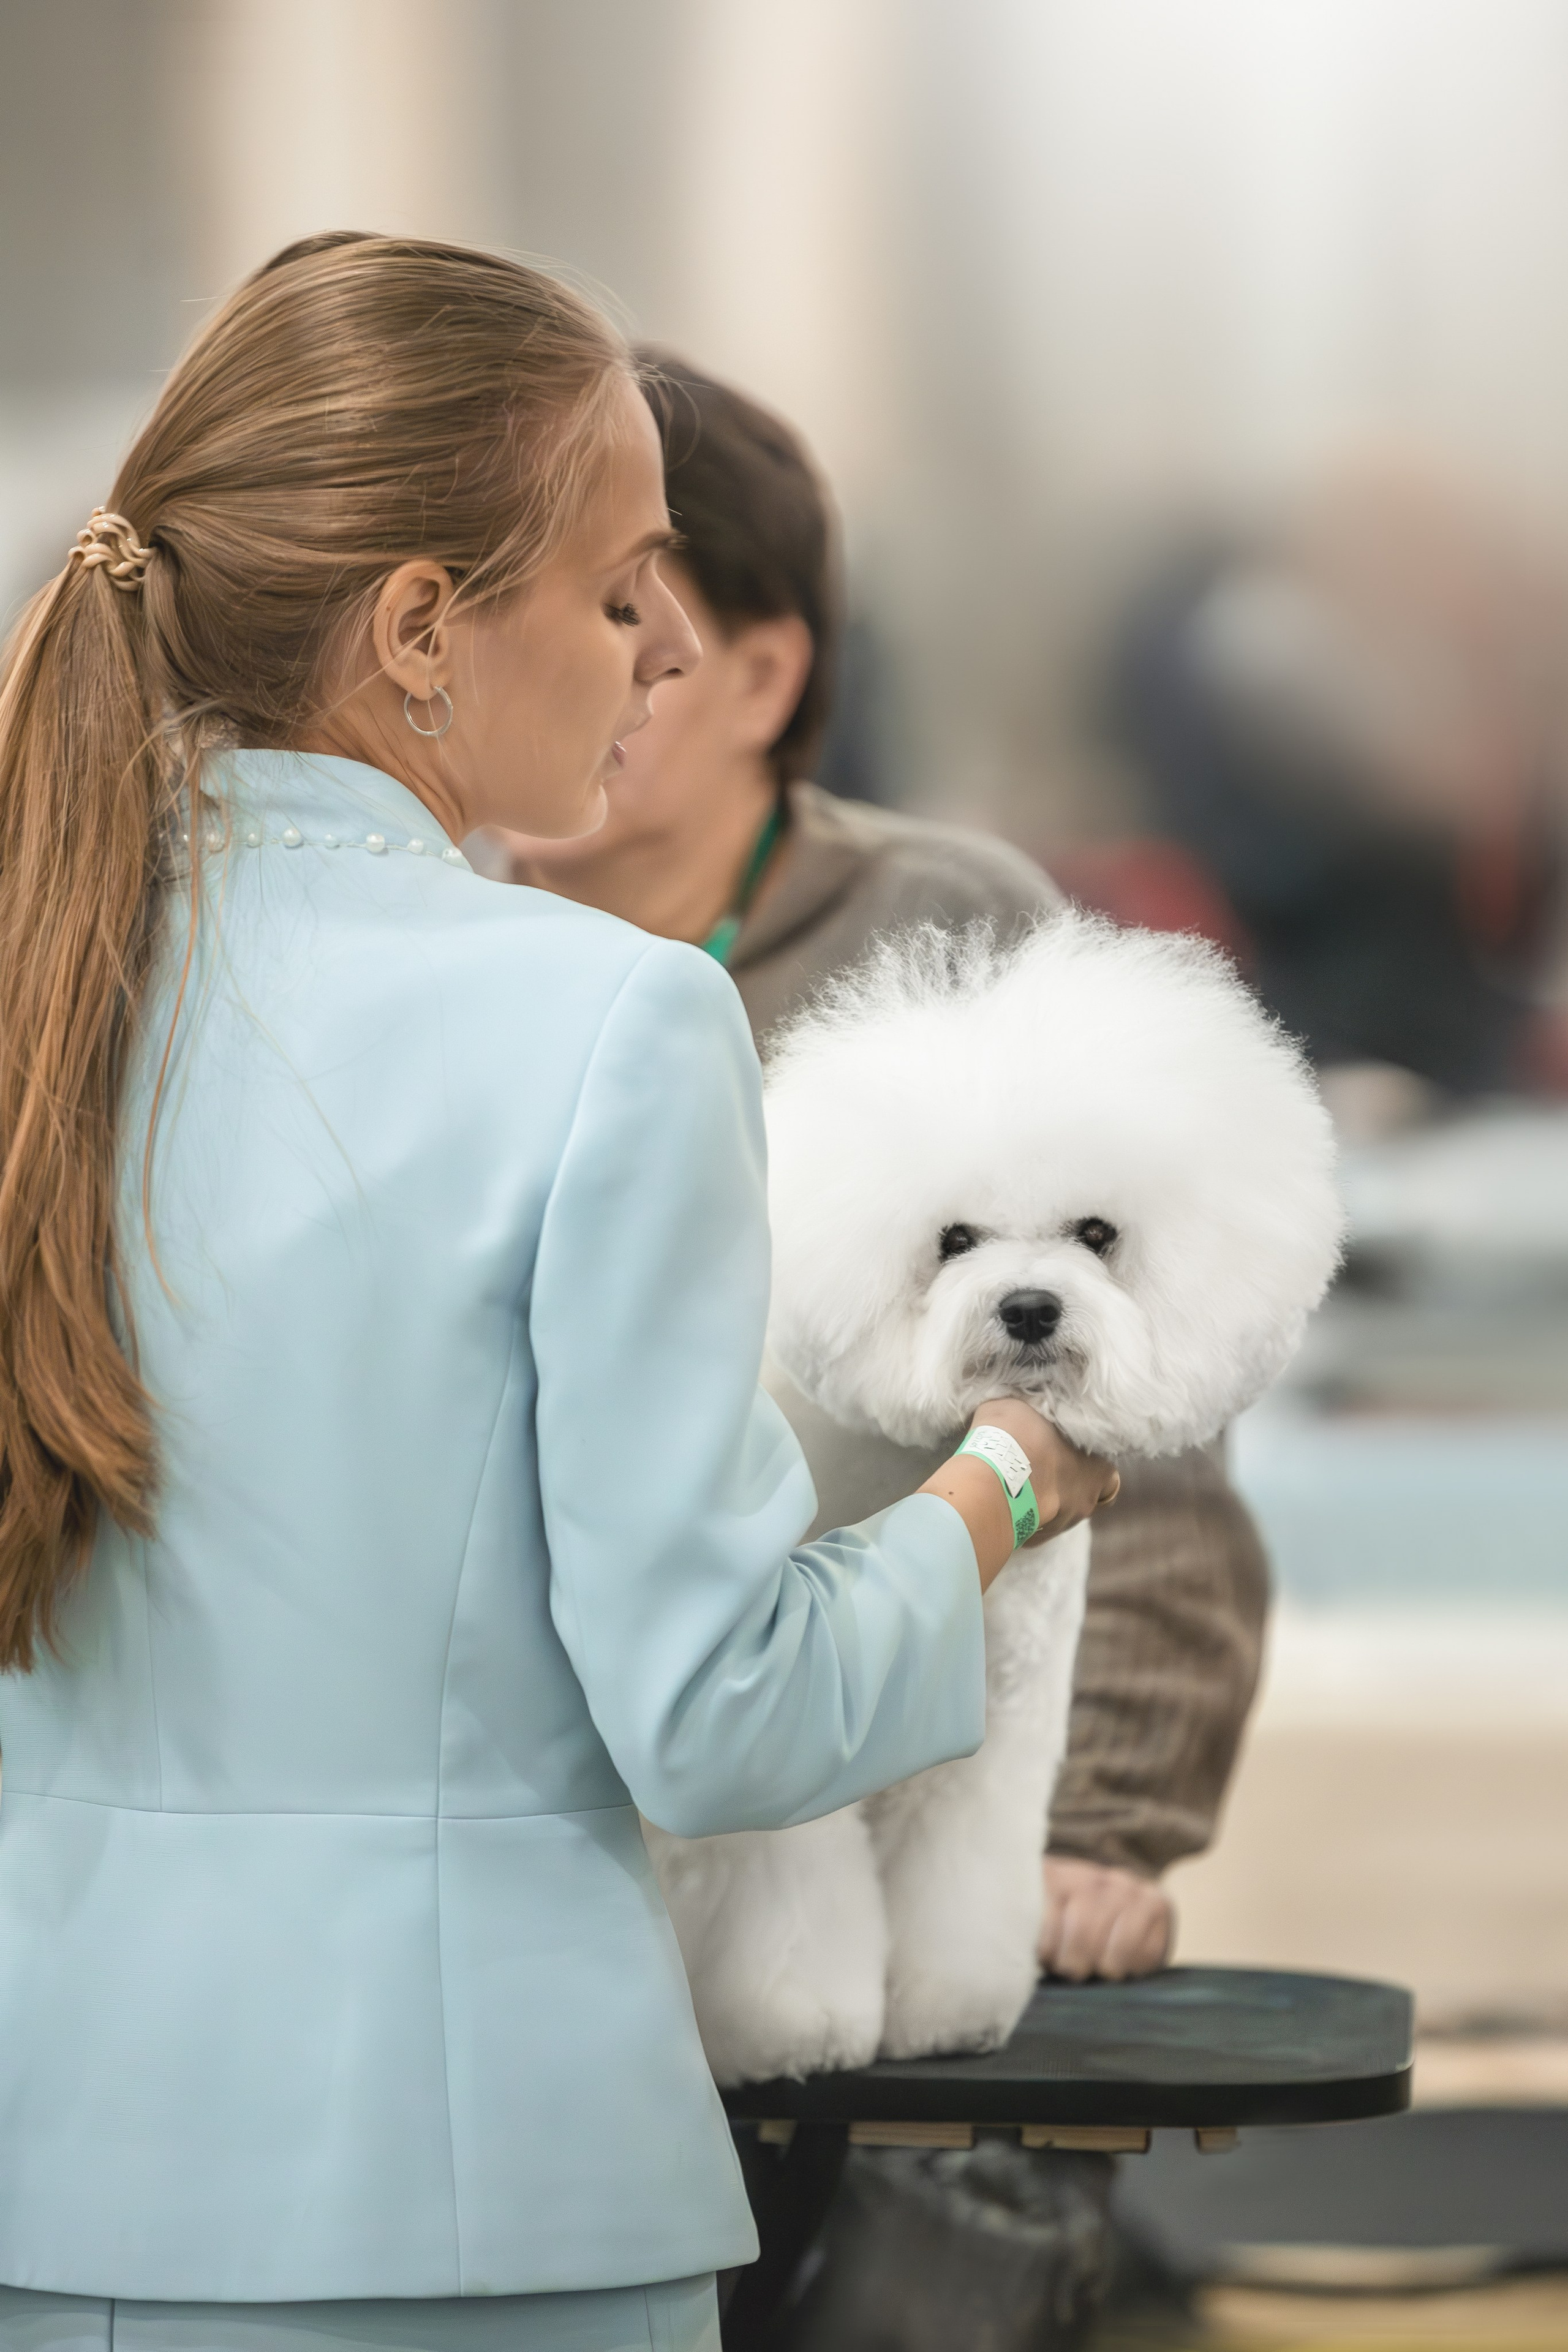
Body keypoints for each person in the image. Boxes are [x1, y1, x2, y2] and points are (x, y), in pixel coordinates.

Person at [0, 235, 1118, 2352]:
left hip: (45, 2174)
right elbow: (712, 1714)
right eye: (620, 596)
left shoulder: (37, 975)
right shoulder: (610, 1028)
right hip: (461, 2204)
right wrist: (1002, 1494)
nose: (649, 658)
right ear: (423, 629)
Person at [491, 356, 1272, 1983]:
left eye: (628, 616)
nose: (575, 666)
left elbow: (1153, 1451)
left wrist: (1089, 1833)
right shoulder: (443, 940)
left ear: (761, 674)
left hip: (890, 1799)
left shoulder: (954, 933)